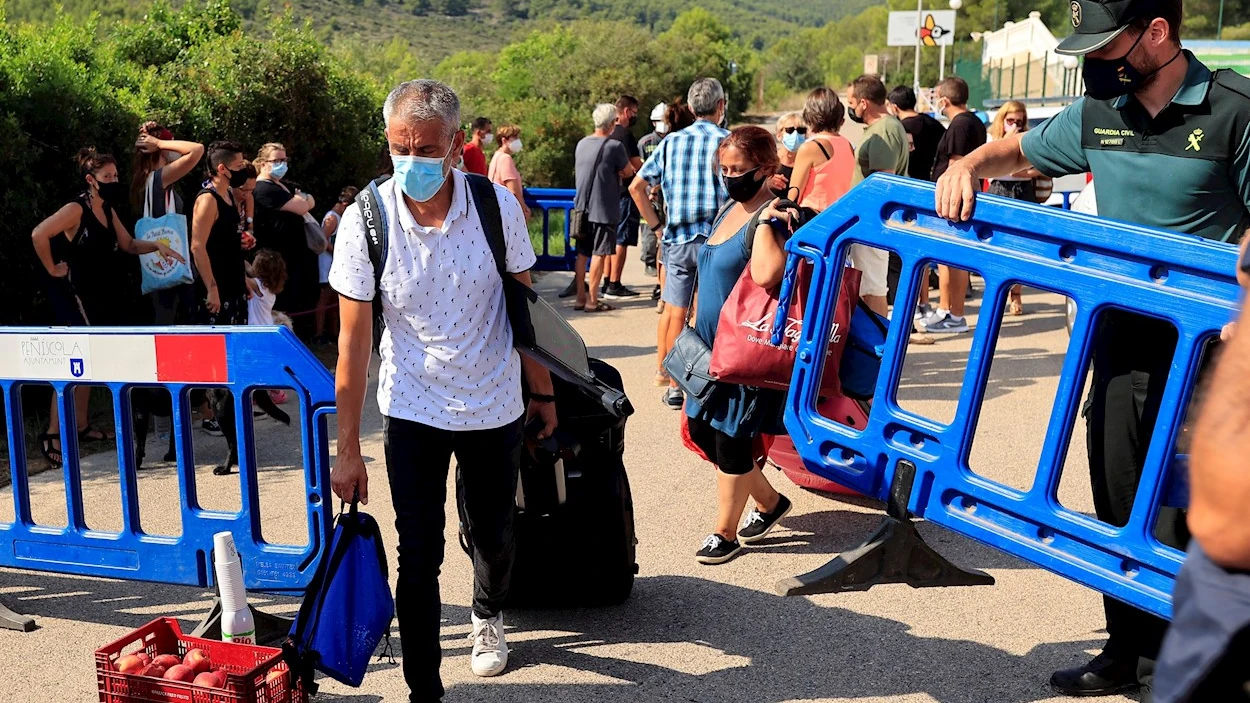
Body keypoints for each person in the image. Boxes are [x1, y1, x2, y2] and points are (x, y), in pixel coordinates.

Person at [933, 0, 1250, 695]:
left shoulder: (1233, 107)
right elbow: (1021, 150)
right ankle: (1128, 649)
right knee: (1118, 492)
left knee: (1199, 510)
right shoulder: (1100, 112)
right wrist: (972, 160)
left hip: (1213, 352)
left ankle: (1207, 660)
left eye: (1107, 48)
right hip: (1122, 338)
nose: (1094, 64)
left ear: (1159, 33)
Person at [327, 79, 556, 702]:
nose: (412, 160)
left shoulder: (494, 207)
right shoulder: (364, 221)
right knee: (417, 551)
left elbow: (525, 307)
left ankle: (487, 613)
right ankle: (424, 690)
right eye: (400, 146)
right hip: (413, 409)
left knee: (494, 533)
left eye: (427, 148)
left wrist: (544, 395)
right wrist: (347, 449)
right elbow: (353, 347)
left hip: (492, 403)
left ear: (455, 146)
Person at [30, 148, 184, 468]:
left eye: (116, 176)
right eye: (107, 177)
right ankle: (53, 434)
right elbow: (39, 233)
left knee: (88, 358)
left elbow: (128, 245)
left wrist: (156, 245)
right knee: (73, 359)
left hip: (95, 293)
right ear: (91, 180)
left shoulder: (108, 208)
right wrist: (52, 267)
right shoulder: (76, 208)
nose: (114, 181)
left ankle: (81, 424)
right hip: (70, 292)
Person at [685, 126, 793, 565]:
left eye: (739, 170)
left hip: (742, 349)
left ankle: (724, 533)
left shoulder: (770, 214)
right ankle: (769, 503)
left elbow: (769, 275)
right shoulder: (729, 207)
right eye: (724, 169)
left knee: (731, 442)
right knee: (700, 431)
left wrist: (769, 221)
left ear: (766, 170)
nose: (729, 177)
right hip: (707, 346)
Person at [631, 77, 731, 409]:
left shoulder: (670, 143)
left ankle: (675, 383)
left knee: (675, 310)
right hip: (717, 241)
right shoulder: (728, 142)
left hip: (676, 240)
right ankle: (710, 378)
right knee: (710, 311)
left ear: (690, 108)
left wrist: (657, 226)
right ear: (720, 106)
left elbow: (636, 187)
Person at [923, 76, 986, 334]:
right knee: (947, 260)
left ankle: (955, 314)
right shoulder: (973, 122)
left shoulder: (961, 125)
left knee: (955, 261)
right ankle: (945, 309)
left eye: (937, 96)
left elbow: (956, 166)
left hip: (955, 202)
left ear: (945, 100)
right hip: (959, 200)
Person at [845, 76, 909, 318]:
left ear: (864, 103)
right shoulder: (884, 127)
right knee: (867, 286)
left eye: (852, 102)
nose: (851, 108)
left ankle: (876, 348)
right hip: (868, 220)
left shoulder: (884, 129)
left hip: (872, 220)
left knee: (872, 288)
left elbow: (884, 181)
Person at [130, 122, 205, 324]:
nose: (173, 148)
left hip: (159, 265)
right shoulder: (158, 178)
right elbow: (197, 150)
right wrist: (161, 142)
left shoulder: (143, 180)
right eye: (171, 144)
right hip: (172, 264)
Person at [252, 143, 319, 338]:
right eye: (276, 161)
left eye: (284, 160)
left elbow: (310, 200)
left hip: (294, 257)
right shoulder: (263, 188)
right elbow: (301, 206)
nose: (282, 164)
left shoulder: (284, 185)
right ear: (264, 164)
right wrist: (302, 200)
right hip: (275, 258)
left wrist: (303, 200)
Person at [572, 103, 634, 314]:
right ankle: (592, 300)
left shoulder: (581, 144)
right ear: (611, 124)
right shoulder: (614, 147)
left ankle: (580, 297)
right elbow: (628, 172)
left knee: (582, 254)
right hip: (604, 209)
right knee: (599, 254)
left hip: (582, 209)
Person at [985, 101, 1042, 316]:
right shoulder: (993, 137)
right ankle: (998, 292)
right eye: (1011, 120)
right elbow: (987, 164)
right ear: (1002, 119)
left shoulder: (1029, 137)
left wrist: (1029, 174)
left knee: (1021, 246)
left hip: (1023, 191)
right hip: (999, 189)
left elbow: (1044, 165)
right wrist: (1008, 139)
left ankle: (1016, 294)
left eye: (1020, 121)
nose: (1016, 125)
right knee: (996, 245)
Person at [192, 142, 251, 326]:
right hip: (217, 290)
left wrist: (243, 279)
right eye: (239, 166)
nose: (243, 170)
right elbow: (197, 246)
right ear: (222, 168)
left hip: (235, 286)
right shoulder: (208, 200)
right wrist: (212, 288)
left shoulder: (229, 195)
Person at [604, 94, 643, 299]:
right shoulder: (625, 136)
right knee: (622, 239)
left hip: (608, 194)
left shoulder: (607, 133)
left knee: (610, 239)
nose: (635, 116)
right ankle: (615, 283)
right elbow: (637, 166)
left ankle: (606, 279)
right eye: (634, 112)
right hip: (626, 194)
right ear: (626, 111)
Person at [315, 187, 358, 344]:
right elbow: (322, 240)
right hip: (327, 264)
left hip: (337, 264)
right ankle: (319, 333)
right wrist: (338, 252)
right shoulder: (332, 218)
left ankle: (334, 332)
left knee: (334, 300)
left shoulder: (340, 217)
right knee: (324, 298)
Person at [887, 86, 946, 182]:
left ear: (895, 107)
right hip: (934, 180)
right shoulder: (932, 122)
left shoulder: (900, 129)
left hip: (910, 182)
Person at [637, 102, 668, 278]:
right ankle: (649, 262)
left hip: (667, 196)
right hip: (648, 196)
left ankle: (661, 280)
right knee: (649, 232)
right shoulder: (645, 143)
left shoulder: (673, 140)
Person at [488, 124, 531, 220]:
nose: (518, 140)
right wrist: (523, 209)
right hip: (507, 211)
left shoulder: (497, 156)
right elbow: (513, 190)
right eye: (515, 137)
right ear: (504, 140)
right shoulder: (505, 158)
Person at [246, 248, 287, 327]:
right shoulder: (269, 289)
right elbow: (247, 267)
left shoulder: (260, 286)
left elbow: (242, 279)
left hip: (258, 329)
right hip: (267, 325)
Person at [770, 112, 806, 199]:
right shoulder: (770, 160)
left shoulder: (807, 163)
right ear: (779, 135)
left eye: (801, 131)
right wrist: (767, 183)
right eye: (790, 130)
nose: (795, 135)